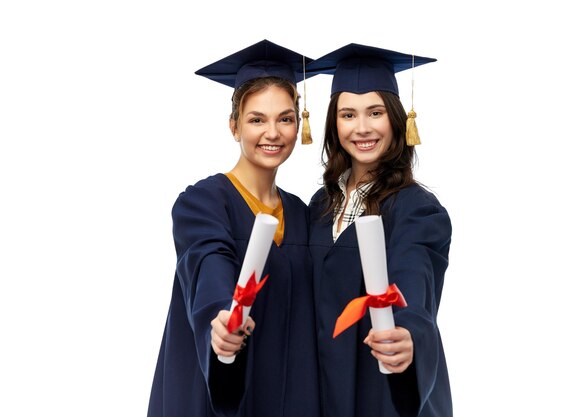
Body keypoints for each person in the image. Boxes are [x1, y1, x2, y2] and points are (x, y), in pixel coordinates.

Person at [147, 39, 320, 417]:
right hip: (221, 395)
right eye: (257, 119)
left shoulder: (304, 214)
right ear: (234, 126)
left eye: (285, 118)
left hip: (287, 397)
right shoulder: (203, 202)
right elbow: (208, 262)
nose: (272, 133)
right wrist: (222, 317)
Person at [306, 44, 453, 417]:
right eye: (348, 114)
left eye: (375, 112)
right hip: (324, 388)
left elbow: (414, 277)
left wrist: (407, 333)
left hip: (379, 386)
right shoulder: (319, 207)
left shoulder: (416, 209)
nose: (362, 128)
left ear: (397, 119)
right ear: (333, 124)